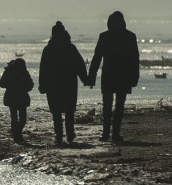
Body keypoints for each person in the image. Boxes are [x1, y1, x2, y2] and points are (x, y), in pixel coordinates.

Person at [87, 10, 140, 142]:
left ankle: (115, 133)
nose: (115, 24)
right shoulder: (105, 36)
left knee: (119, 106)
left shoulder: (130, 36)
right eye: (113, 22)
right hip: (109, 75)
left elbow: (135, 59)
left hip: (123, 76)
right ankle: (106, 133)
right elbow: (97, 57)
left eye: (117, 22)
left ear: (122, 22)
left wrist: (135, 77)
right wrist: (92, 76)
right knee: (107, 105)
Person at [38, 21, 88, 146]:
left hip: (54, 84)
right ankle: (68, 134)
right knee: (67, 110)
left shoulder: (49, 49)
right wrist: (85, 79)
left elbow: (43, 69)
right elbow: (80, 65)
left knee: (58, 111)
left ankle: (60, 135)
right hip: (67, 83)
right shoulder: (69, 48)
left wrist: (42, 84)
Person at [0, 57, 34, 142]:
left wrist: (23, 86)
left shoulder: (25, 72)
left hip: (21, 97)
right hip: (12, 97)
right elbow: (1, 83)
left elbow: (30, 85)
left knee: (22, 119)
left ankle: (17, 133)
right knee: (14, 118)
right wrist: (11, 82)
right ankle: (17, 135)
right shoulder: (8, 72)